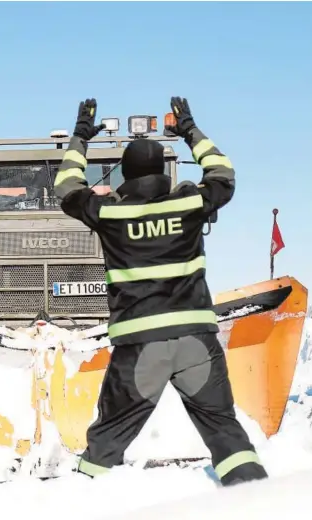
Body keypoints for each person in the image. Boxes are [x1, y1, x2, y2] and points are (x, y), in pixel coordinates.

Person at [53, 97, 268, 487]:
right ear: (162, 174)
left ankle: (82, 499)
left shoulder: (111, 214)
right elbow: (223, 173)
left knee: (107, 442)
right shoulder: (190, 203)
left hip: (140, 346)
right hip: (197, 342)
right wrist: (189, 129)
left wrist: (81, 135)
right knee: (225, 432)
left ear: (126, 177)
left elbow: (66, 185)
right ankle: (256, 499)